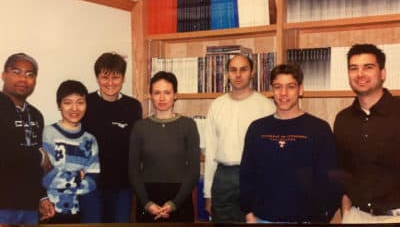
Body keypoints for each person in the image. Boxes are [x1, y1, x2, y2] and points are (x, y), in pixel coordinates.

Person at [240, 63, 341, 223]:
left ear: (300, 90)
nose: (283, 93)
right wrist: (248, 213)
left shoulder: (319, 128)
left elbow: (331, 180)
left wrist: (322, 217)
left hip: (306, 220)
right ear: (272, 91)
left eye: (291, 86)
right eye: (278, 86)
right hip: (262, 218)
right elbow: (246, 175)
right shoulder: (257, 128)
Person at [203, 54, 275, 222]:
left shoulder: (266, 106)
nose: (238, 75)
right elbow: (211, 153)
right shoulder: (217, 105)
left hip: (255, 176)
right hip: (223, 178)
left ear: (252, 72)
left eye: (243, 69)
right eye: (233, 70)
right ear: (227, 74)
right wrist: (208, 194)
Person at [334, 43, 400, 223]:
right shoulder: (343, 119)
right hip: (356, 216)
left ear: (383, 73)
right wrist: (346, 211)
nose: (360, 74)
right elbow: (342, 170)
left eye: (368, 67)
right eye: (353, 68)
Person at [129, 71, 200, 223]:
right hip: (147, 199)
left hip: (180, 198)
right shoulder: (140, 127)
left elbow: (194, 169)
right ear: (151, 96)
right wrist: (147, 203)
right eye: (157, 93)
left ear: (175, 95)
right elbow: (133, 169)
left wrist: (174, 204)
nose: (162, 98)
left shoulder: (188, 125)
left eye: (167, 92)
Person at [79, 52, 142, 223]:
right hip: (91, 185)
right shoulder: (85, 103)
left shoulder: (133, 106)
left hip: (122, 186)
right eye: (104, 77)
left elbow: (136, 146)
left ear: (123, 78)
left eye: (116, 77)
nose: (110, 83)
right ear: (97, 78)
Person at [0, 53, 55, 224]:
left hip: (29, 207)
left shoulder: (36, 116)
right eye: (17, 72)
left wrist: (41, 198)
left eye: (30, 74)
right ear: (4, 75)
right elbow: (5, 152)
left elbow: (37, 168)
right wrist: (39, 155)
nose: (24, 79)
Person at [42, 80, 100, 223]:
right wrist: (77, 176)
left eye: (80, 102)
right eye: (68, 102)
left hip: (78, 211)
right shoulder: (48, 134)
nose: (75, 108)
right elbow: (45, 178)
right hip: (48, 210)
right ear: (59, 105)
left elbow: (93, 181)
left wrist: (60, 174)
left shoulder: (90, 140)